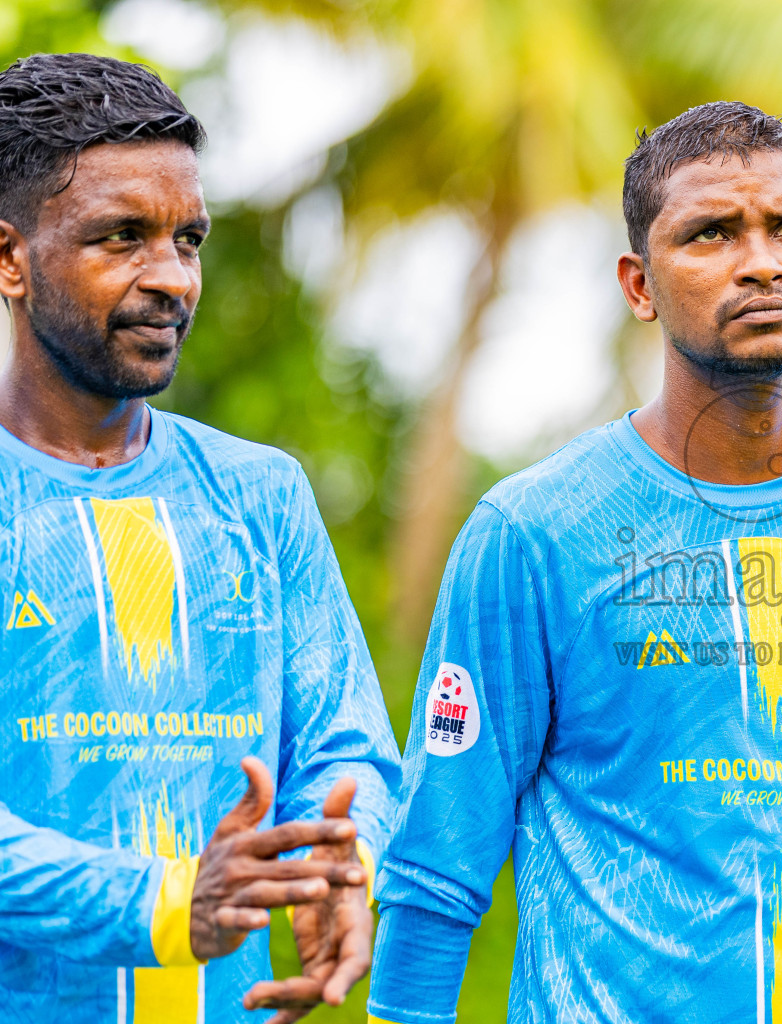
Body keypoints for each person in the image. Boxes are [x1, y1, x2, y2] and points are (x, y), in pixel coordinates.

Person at [366, 101, 782, 1024]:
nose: (761, 260)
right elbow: (438, 861)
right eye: (711, 234)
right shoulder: (534, 533)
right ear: (639, 284)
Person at [0, 53, 400, 1022]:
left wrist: (341, 861)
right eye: (122, 238)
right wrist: (170, 900)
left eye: (189, 239)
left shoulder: (261, 496)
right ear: (9, 258)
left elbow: (348, 745)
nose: (171, 278)